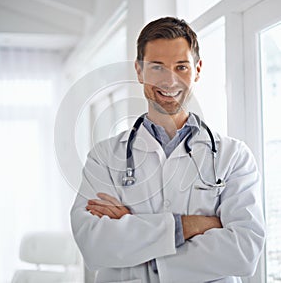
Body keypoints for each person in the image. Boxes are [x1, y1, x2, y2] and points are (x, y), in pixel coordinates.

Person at [70, 17, 265, 283]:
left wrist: (137, 238)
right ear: (139, 71)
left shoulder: (234, 156)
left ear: (197, 70)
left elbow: (245, 252)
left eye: (181, 67)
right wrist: (194, 225)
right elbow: (94, 245)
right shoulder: (104, 157)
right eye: (157, 67)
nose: (170, 81)